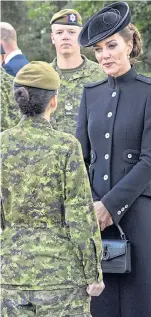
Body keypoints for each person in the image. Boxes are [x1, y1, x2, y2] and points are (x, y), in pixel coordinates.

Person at [76, 2, 151, 317]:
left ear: (129, 46)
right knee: (99, 305)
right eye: (99, 49)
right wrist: (93, 204)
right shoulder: (91, 94)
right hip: (95, 218)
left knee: (139, 304)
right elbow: (80, 158)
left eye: (112, 45)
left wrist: (109, 206)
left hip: (136, 215)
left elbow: (150, 159)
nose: (104, 55)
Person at [1, 61, 104, 316]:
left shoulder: (2, 145)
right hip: (60, 274)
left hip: (11, 271)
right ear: (53, 101)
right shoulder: (65, 146)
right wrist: (94, 272)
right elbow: (80, 213)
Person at [50, 9, 105, 135]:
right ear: (53, 38)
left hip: (89, 152)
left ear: (80, 37)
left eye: (71, 32)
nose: (65, 37)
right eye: (59, 32)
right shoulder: (43, 75)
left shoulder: (101, 74)